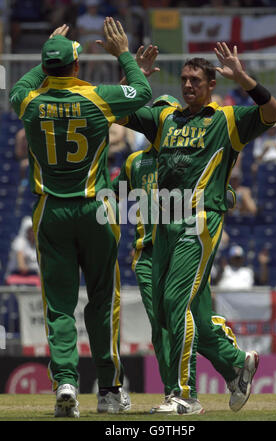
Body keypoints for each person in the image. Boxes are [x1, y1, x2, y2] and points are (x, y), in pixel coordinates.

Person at [118, 42, 276, 414]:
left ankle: (184, 395)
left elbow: (274, 112)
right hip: (164, 225)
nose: (188, 85)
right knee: (172, 311)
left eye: (196, 80)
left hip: (198, 222)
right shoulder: (166, 119)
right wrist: (136, 74)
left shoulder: (226, 120)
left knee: (176, 303)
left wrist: (242, 78)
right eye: (184, 80)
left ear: (210, 85)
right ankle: (237, 364)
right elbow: (115, 109)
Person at [9, 19, 152, 418]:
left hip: (51, 211)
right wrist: (124, 53)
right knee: (104, 301)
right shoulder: (96, 97)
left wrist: (47, 54)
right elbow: (142, 91)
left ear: (47, 68)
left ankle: (67, 382)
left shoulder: (30, 103)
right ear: (76, 66)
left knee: (58, 305)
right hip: (96, 210)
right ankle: (108, 390)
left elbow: (17, 89)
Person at [113, 95, 250, 413]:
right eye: (155, 114)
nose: (158, 119)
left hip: (186, 244)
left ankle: (204, 381)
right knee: (175, 325)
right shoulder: (134, 162)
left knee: (187, 323)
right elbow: (116, 201)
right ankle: (210, 378)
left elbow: (225, 195)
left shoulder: (192, 160)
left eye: (164, 113)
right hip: (149, 252)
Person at [5, 216, 40, 287]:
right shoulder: (19, 242)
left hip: (32, 278)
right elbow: (22, 267)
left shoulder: (36, 244)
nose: (32, 232)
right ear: (25, 230)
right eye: (30, 230)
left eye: (34, 230)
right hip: (17, 277)